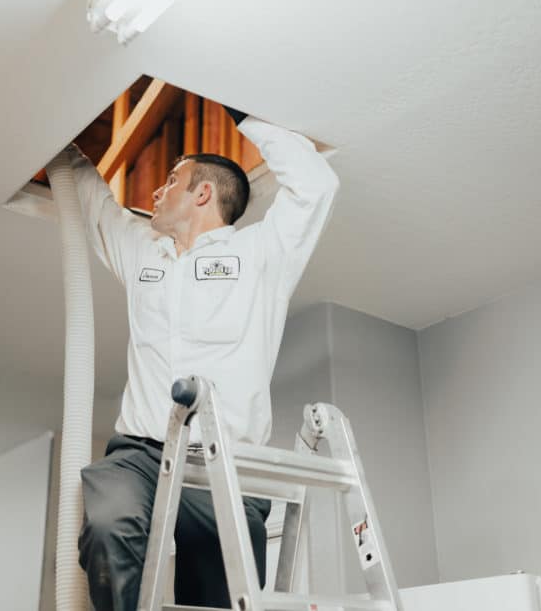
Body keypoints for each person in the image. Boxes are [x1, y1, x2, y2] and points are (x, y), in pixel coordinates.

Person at [64, 105, 339, 610]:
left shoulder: (261, 255)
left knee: (220, 598)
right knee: (108, 524)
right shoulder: (144, 252)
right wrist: (63, 144)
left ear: (204, 192)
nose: (155, 191)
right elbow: (98, 206)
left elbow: (316, 186)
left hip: (227, 469)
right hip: (141, 455)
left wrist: (243, 111)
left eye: (171, 179)